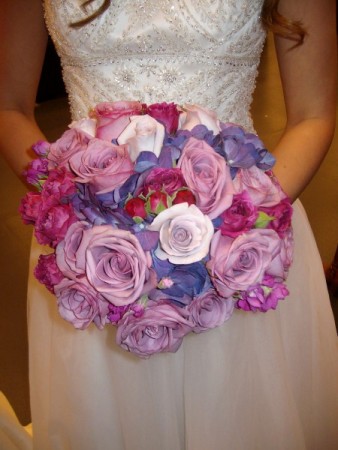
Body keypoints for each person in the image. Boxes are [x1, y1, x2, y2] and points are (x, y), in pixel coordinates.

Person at [1, 0, 338, 449]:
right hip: (93, 248)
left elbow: (313, 114)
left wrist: (231, 221)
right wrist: (72, 201)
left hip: (243, 243)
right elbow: (9, 106)